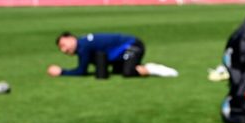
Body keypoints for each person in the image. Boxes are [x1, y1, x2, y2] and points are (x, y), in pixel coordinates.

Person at [47, 32, 178, 78]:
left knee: (128, 72)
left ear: (71, 38)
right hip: (121, 53)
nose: (64, 50)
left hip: (133, 46)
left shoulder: (84, 46)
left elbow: (82, 71)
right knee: (117, 71)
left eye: (64, 45)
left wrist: (61, 72)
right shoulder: (84, 44)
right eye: (61, 49)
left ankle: (153, 69)